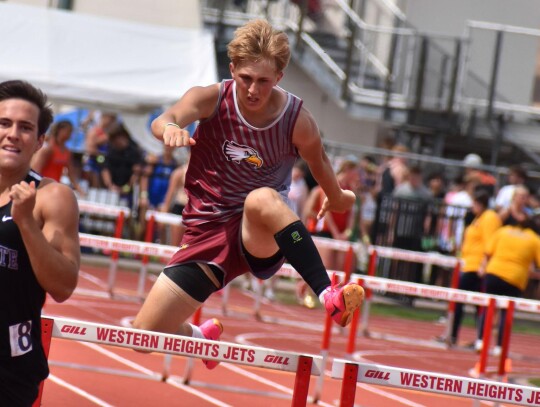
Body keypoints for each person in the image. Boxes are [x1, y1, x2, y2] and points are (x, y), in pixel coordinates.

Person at [133, 19, 364, 369]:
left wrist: (337, 195)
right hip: (207, 232)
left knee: (261, 198)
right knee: (143, 337)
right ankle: (201, 338)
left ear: (279, 78)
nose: (253, 90)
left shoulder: (297, 120)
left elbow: (319, 162)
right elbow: (168, 116)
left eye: (263, 81)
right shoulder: (211, 98)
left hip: (259, 232)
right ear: (232, 70)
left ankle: (327, 293)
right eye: (245, 79)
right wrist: (169, 129)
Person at [0, 80, 80, 405]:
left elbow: (63, 286)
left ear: (39, 141)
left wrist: (26, 224)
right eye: (4, 123)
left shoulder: (52, 197)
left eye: (25, 127)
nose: (13, 133)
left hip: (8, 369)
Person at [437, 189, 501, 347]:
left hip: (476, 267)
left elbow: (490, 243)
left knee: (464, 301)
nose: (472, 207)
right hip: (468, 264)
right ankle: (473, 337)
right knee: (473, 303)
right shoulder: (477, 218)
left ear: (480, 203)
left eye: (474, 204)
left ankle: (459, 336)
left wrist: (483, 265)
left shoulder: (489, 218)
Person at [475, 217, 540, 355]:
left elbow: (487, 252)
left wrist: (483, 267)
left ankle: (480, 340)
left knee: (488, 308)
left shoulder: (503, 231)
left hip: (494, 272)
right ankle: (499, 347)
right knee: (506, 313)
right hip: (514, 278)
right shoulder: (534, 239)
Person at [30, 120, 85, 196]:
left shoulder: (67, 152)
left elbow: (71, 173)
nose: (70, 135)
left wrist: (80, 190)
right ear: (60, 130)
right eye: (69, 131)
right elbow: (35, 170)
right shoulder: (48, 149)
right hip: (41, 188)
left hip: (53, 188)